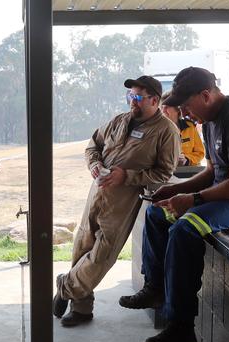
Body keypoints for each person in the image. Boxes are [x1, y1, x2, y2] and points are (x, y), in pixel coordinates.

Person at [122, 67, 229, 342]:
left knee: (186, 227)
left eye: (185, 106)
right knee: (158, 214)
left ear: (206, 95)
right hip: (227, 194)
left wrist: (192, 200)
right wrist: (175, 190)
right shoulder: (208, 121)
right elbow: (212, 172)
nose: (183, 114)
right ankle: (156, 288)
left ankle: (181, 327)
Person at [52, 76, 180, 327]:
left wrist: (127, 176)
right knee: (82, 247)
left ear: (155, 100)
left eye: (139, 97)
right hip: (97, 192)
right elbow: (93, 146)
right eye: (130, 97)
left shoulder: (167, 132)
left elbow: (163, 174)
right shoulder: (118, 121)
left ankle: (65, 286)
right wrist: (95, 164)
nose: (133, 102)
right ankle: (81, 309)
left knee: (101, 255)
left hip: (123, 201)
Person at [160, 91, 205, 166]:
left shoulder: (190, 127)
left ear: (178, 109)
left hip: (187, 172)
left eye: (166, 107)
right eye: (162, 107)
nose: (163, 111)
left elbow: (200, 153)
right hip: (164, 172)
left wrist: (186, 160)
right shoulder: (156, 129)